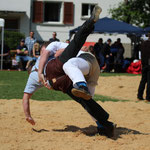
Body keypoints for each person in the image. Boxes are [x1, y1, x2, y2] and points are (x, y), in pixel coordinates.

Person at [38, 5, 116, 138]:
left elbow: (46, 53)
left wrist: (42, 75)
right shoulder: (53, 56)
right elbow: (76, 42)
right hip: (85, 69)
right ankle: (104, 125)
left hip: (83, 64)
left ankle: (104, 122)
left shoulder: (50, 47)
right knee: (87, 101)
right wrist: (46, 78)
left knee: (83, 97)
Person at [137, 33, 150, 101]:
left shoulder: (143, 44)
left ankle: (139, 95)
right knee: (149, 81)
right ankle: (148, 97)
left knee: (143, 80)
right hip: (148, 63)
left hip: (144, 63)